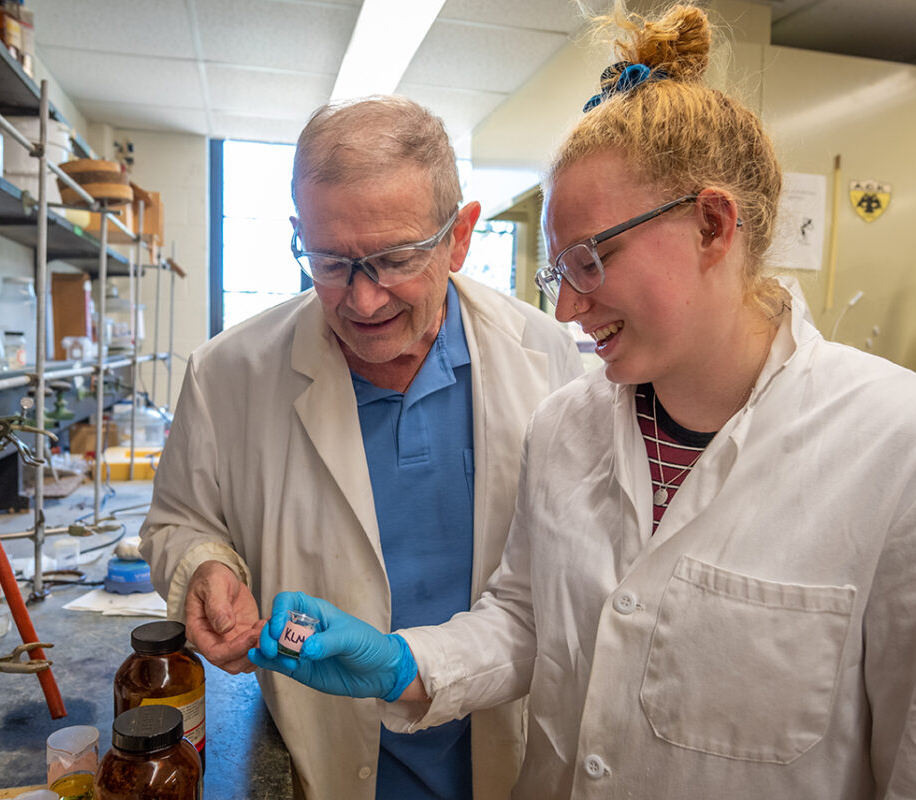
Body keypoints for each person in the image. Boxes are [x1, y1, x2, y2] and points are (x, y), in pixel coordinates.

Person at [249, 5, 916, 798]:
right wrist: (406, 664)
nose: (562, 310)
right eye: (559, 272)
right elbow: (529, 622)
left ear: (713, 225)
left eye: (590, 260)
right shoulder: (567, 425)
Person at [139, 95, 583, 800]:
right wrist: (204, 568)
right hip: (321, 750)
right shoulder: (229, 372)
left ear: (459, 237)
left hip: (506, 751)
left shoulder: (550, 361)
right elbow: (178, 521)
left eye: (396, 259)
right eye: (331, 262)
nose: (364, 301)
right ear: (298, 234)